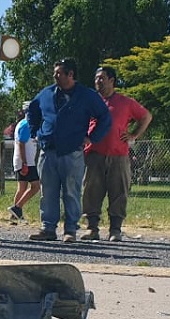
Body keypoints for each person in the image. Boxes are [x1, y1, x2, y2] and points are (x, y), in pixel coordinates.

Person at [25, 58, 111, 242]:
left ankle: (70, 230)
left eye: (59, 73)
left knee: (71, 192)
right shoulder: (46, 94)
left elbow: (104, 117)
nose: (55, 76)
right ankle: (47, 228)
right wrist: (36, 132)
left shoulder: (86, 96)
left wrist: (91, 138)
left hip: (72, 152)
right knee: (47, 192)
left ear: (70, 75)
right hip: (48, 151)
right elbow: (32, 111)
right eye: (55, 73)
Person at [81, 65, 152, 242]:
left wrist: (134, 134)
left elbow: (146, 116)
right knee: (91, 192)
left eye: (102, 78)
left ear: (112, 80)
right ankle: (92, 228)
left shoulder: (125, 102)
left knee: (119, 192)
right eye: (96, 78)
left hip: (119, 156)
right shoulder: (90, 102)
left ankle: (115, 230)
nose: (98, 81)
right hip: (94, 155)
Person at [8, 107, 39, 223]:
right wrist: (25, 163)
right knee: (36, 186)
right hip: (26, 162)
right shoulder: (26, 124)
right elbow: (21, 144)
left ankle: (14, 216)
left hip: (23, 161)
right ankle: (17, 208)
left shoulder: (23, 123)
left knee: (22, 188)